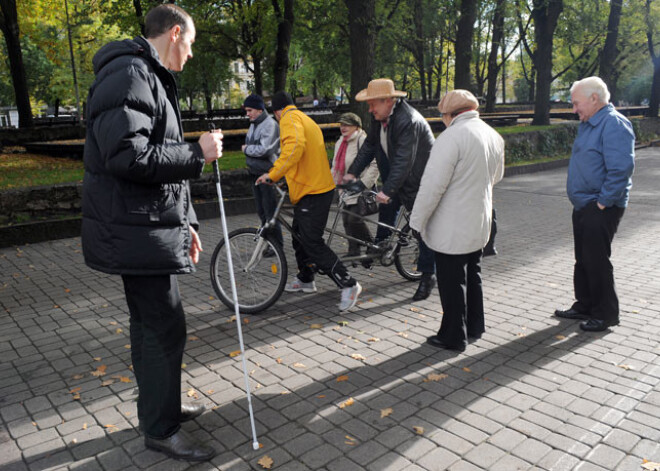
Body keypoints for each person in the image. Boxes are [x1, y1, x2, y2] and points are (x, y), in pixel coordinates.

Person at [81, 4, 222, 462]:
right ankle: (161, 427)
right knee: (163, 325)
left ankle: (162, 407)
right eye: (193, 44)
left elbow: (161, 162)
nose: (193, 55)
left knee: (152, 323)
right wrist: (198, 152)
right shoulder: (130, 74)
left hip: (146, 228)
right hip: (134, 231)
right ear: (175, 33)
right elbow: (129, 157)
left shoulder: (144, 75)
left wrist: (190, 224)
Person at [411, 90, 504, 352]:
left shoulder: (451, 137)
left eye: (442, 116)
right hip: (479, 219)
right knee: (473, 274)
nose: (442, 120)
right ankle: (475, 325)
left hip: (451, 224)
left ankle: (453, 335)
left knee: (451, 281)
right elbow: (497, 176)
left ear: (450, 114)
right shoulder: (492, 135)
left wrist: (416, 222)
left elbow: (432, 186)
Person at [256, 92, 362, 312]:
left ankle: (348, 283)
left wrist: (273, 175)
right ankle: (306, 278)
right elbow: (303, 158)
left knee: (312, 242)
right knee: (299, 237)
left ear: (276, 112)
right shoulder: (304, 118)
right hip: (312, 189)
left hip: (314, 192)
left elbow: (293, 149)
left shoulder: (288, 119)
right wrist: (288, 180)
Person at [343, 78, 436, 301]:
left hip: (417, 183)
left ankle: (427, 276)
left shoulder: (408, 120)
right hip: (397, 179)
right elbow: (370, 146)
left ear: (388, 101)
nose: (370, 108)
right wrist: (353, 172)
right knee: (386, 215)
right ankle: (380, 248)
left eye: (373, 103)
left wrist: (388, 190)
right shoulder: (381, 117)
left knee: (421, 230)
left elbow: (405, 160)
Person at [554, 77, 635, 332]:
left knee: (597, 260)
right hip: (584, 205)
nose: (574, 109)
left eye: (576, 103)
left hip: (600, 207)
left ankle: (606, 314)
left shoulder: (614, 124)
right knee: (583, 258)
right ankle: (585, 305)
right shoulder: (589, 123)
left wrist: (602, 203)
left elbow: (621, 169)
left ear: (594, 99)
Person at [330, 112, 379, 259]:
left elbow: (375, 164)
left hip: (361, 188)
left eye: (347, 125)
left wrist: (363, 183)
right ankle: (354, 250)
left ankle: (372, 246)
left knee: (354, 220)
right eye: (341, 124)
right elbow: (335, 166)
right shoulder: (341, 142)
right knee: (346, 221)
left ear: (356, 126)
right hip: (345, 189)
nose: (343, 127)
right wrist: (333, 183)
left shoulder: (362, 140)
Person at [242, 93, 283, 252]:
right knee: (261, 210)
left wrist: (247, 150)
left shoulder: (270, 125)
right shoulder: (254, 123)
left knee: (270, 210)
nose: (248, 114)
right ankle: (268, 242)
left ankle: (276, 245)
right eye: (246, 110)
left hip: (267, 173)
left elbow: (265, 149)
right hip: (254, 172)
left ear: (259, 109)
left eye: (250, 110)